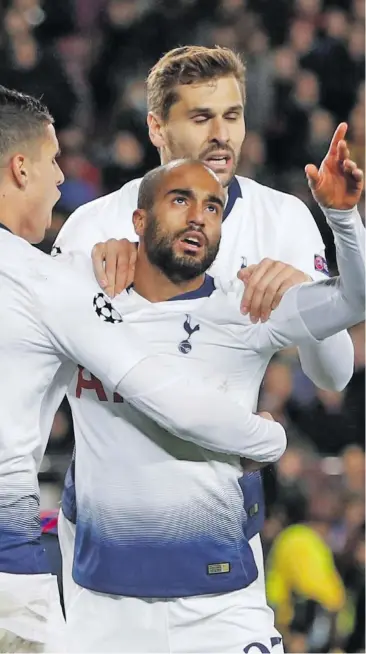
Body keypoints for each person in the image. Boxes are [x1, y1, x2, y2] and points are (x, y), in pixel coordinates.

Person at [53, 44, 355, 634]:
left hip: (217, 544)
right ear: (156, 127)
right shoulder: (97, 227)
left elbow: (334, 375)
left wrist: (305, 297)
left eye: (233, 115)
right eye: (201, 117)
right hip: (102, 549)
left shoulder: (283, 219)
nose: (223, 135)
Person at [0, 86, 289, 653]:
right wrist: (268, 437)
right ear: (19, 167)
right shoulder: (41, 282)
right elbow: (166, 396)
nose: (61, 178)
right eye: (53, 161)